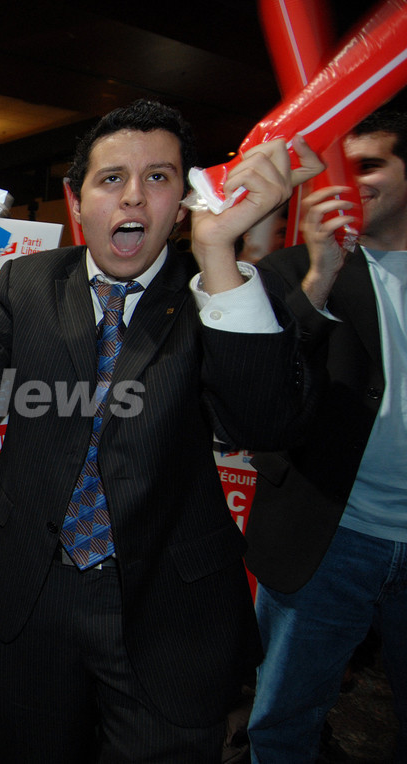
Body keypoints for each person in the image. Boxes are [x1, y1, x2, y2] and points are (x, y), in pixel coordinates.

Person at [0, 99, 323, 760]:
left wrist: (217, 252)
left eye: (159, 178)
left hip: (167, 608)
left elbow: (262, 422)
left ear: (184, 202)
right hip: (35, 593)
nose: (134, 199)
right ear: (78, 199)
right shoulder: (30, 282)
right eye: (112, 178)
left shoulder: (222, 290)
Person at [245, 110, 407, 763]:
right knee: (285, 716)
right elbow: (262, 399)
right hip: (330, 536)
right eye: (341, 168)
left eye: (370, 165)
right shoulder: (293, 271)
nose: (351, 182)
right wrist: (319, 278)